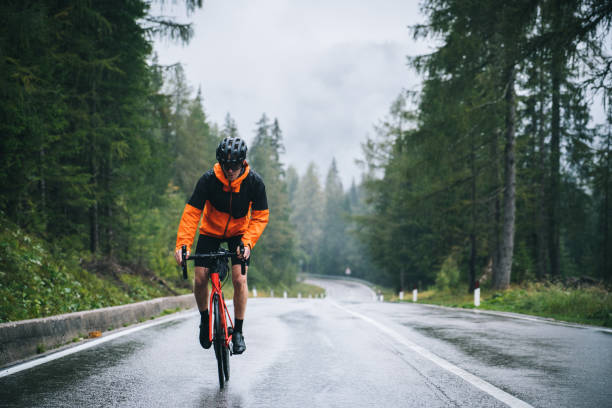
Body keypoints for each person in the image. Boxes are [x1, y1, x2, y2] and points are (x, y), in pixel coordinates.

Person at [174, 137, 269, 354]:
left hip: (239, 233)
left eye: (234, 166)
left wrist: (248, 243)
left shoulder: (254, 182)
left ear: (242, 163)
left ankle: (238, 331)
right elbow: (192, 214)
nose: (230, 170)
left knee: (239, 279)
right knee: (199, 279)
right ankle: (205, 319)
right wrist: (183, 244)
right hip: (210, 232)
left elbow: (261, 216)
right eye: (226, 165)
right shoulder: (208, 180)